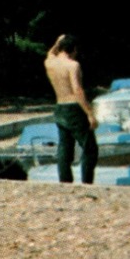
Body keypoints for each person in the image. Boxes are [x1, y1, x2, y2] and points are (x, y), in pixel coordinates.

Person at [43, 34, 97, 184]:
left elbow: (50, 53)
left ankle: (65, 182)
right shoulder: (73, 65)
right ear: (73, 49)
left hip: (60, 107)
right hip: (74, 108)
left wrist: (57, 41)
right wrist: (90, 114)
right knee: (89, 148)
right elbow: (77, 90)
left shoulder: (49, 63)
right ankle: (87, 183)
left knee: (65, 148)